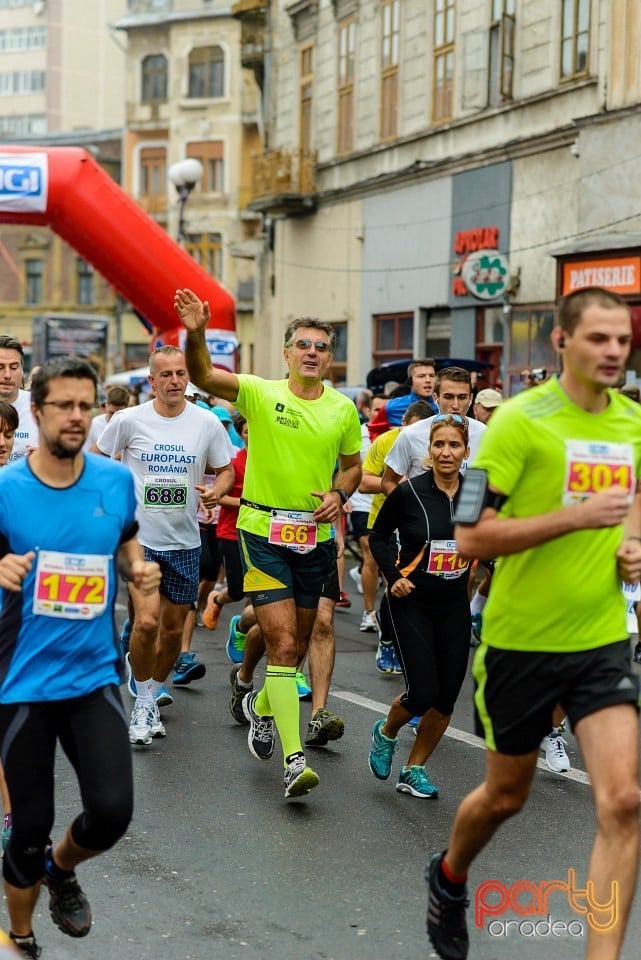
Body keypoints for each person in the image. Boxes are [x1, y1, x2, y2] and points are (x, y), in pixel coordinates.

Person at [426, 286, 641, 960]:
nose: (611, 351)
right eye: (597, 338)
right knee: (502, 797)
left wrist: (631, 546)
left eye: (621, 340)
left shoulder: (631, 424)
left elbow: (631, 504)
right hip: (518, 643)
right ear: (561, 342)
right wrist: (573, 519)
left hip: (601, 636)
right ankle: (448, 875)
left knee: (624, 801)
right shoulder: (518, 424)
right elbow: (467, 537)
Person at [0, 357, 160, 960]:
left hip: (92, 676)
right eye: (62, 405)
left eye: (84, 405)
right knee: (26, 831)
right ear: (36, 412)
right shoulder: (6, 491)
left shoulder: (114, 482)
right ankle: (21, 939)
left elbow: (123, 540)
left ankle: (62, 869)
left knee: (113, 810)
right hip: (20, 683)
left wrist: (138, 571)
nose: (75, 416)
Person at [174, 287, 362, 799]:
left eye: (321, 346)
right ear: (287, 353)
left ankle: (261, 704)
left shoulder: (344, 411)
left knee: (298, 645)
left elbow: (352, 468)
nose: (312, 352)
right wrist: (194, 331)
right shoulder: (260, 393)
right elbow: (203, 376)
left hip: (316, 537)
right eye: (303, 344)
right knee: (281, 643)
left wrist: (339, 495)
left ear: (329, 357)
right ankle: (293, 758)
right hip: (262, 532)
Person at [94, 346, 234, 744]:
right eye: (166, 375)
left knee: (173, 633)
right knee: (148, 622)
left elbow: (225, 470)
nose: (174, 381)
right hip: (139, 540)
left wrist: (215, 492)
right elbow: (95, 460)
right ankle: (141, 702)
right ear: (151, 381)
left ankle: (151, 690)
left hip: (185, 542)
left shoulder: (206, 423)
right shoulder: (128, 420)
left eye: (180, 374)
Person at [368, 414, 472, 798]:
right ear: (429, 450)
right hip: (411, 599)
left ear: (466, 451)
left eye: (454, 445)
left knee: (446, 697)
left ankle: (414, 769)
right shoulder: (410, 492)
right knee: (422, 691)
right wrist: (394, 576)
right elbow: (378, 536)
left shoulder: (476, 490)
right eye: (439, 445)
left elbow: (486, 535)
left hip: (454, 602)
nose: (446, 452)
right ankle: (386, 732)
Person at [381, 367, 486, 495]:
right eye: (448, 397)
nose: (456, 405)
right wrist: (410, 510)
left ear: (470, 399)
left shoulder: (485, 434)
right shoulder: (411, 434)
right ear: (436, 398)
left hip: (467, 513)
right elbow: (388, 482)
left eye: (462, 397)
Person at [368, 358, 438, 441]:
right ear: (410, 381)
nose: (428, 380)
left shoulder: (443, 407)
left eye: (432, 376)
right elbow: (373, 431)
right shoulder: (391, 407)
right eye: (421, 376)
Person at [0, 336, 38, 463]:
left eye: (14, 367)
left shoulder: (40, 407)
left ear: (22, 369)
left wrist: (45, 457)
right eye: (0, 367)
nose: (7, 375)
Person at [83, 385, 130, 451]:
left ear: (126, 408)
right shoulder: (94, 424)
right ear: (106, 404)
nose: (114, 418)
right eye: (112, 413)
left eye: (118, 414)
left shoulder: (130, 426)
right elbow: (86, 451)